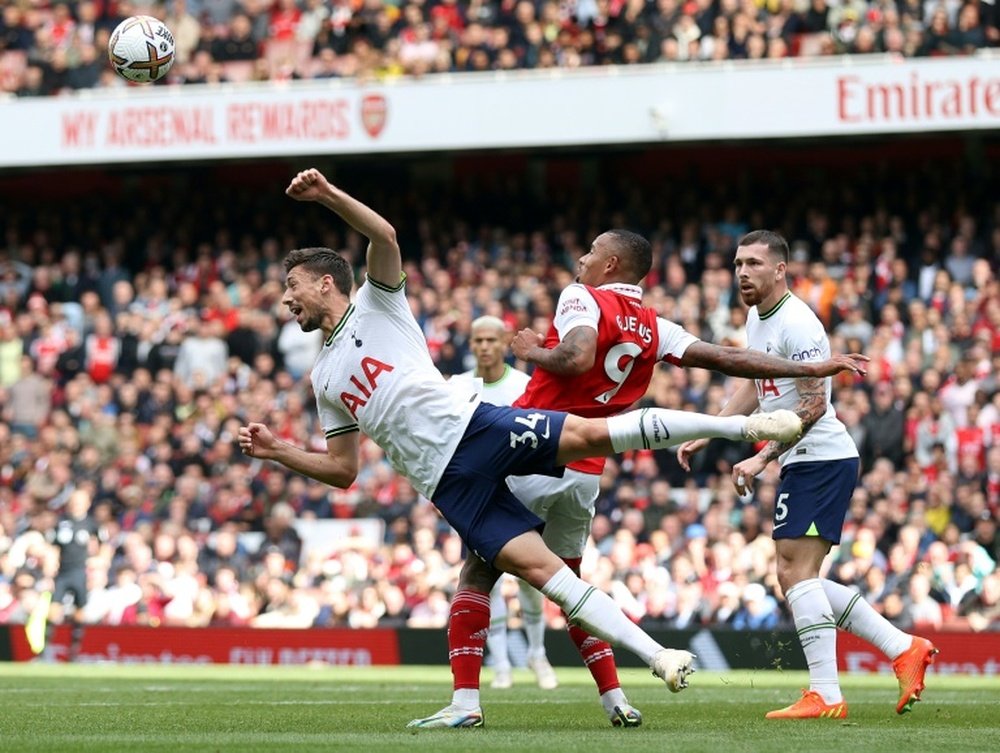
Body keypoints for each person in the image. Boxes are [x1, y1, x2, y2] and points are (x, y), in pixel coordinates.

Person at [238, 169, 805, 728]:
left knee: (585, 435)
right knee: (548, 574)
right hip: (447, 484)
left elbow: (384, 237)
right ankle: (657, 657)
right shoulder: (321, 377)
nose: (286, 299)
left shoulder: (376, 304)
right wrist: (278, 450)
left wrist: (326, 195)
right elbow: (342, 470)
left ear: (324, 282)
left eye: (292, 286)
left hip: (474, 427)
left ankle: (741, 429)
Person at [424, 228, 871, 728]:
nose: (581, 258)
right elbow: (729, 359)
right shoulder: (657, 327)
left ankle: (465, 703)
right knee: (572, 588)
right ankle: (616, 700)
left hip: (538, 449)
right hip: (585, 473)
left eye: (591, 251)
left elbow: (574, 357)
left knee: (478, 572)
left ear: (611, 264)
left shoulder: (581, 296)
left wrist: (530, 351)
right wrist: (813, 366)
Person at [678, 229, 938, 720]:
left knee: (795, 573)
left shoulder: (799, 323)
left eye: (753, 263)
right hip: (805, 459)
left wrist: (760, 458)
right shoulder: (757, 319)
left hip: (821, 456)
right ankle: (903, 647)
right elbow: (758, 386)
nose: (742, 273)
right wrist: (711, 429)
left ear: (780, 270)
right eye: (737, 264)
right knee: (798, 576)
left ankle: (827, 694)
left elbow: (815, 406)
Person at [453, 315, 557, 691]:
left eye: (491, 340)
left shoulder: (523, 385)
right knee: (486, 583)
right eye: (477, 340)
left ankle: (537, 653)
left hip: (525, 491)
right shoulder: (457, 387)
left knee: (532, 580)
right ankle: (499, 664)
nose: (483, 346)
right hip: (478, 499)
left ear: (504, 343)